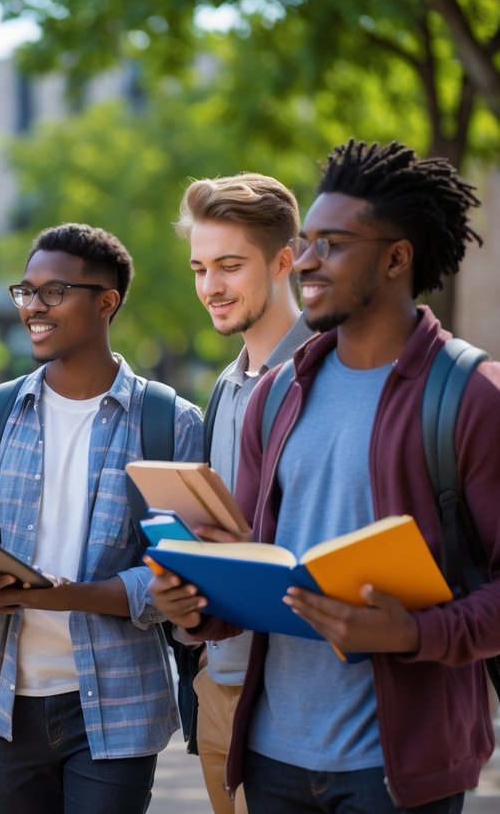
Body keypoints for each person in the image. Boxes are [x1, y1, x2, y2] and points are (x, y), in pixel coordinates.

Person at [153, 140, 500, 812]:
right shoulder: (277, 392)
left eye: (331, 244)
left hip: (395, 769)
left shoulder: (471, 397)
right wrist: (196, 604)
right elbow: (257, 567)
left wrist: (411, 634)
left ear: (396, 257)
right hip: (272, 757)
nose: (304, 261)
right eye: (305, 241)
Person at [0, 223, 204, 814]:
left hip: (118, 703)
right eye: (26, 291)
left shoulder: (172, 424)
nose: (34, 307)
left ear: (107, 302)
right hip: (8, 701)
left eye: (54, 292)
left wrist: (73, 596)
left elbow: (185, 573)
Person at [169, 172, 313, 813]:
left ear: (285, 261)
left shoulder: (326, 376)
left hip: (302, 694)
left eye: (229, 266)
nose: (210, 288)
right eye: (200, 267)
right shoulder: (225, 389)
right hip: (222, 683)